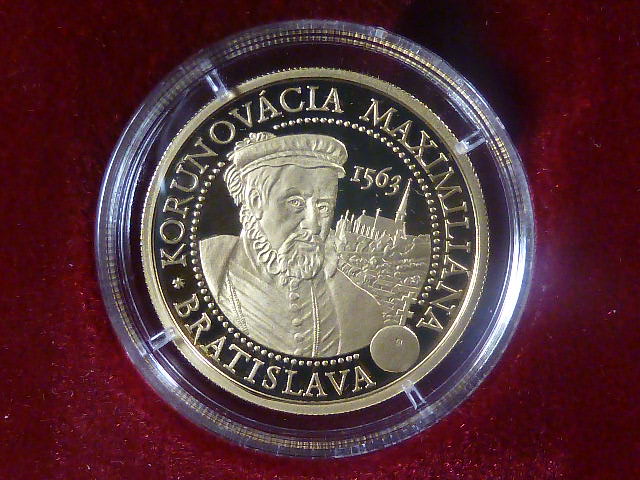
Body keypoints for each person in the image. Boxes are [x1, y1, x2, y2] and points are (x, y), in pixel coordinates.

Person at [200, 132, 383, 357]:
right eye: (295, 202)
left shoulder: (361, 308)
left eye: (323, 207)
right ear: (255, 202)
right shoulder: (206, 265)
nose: (313, 225)